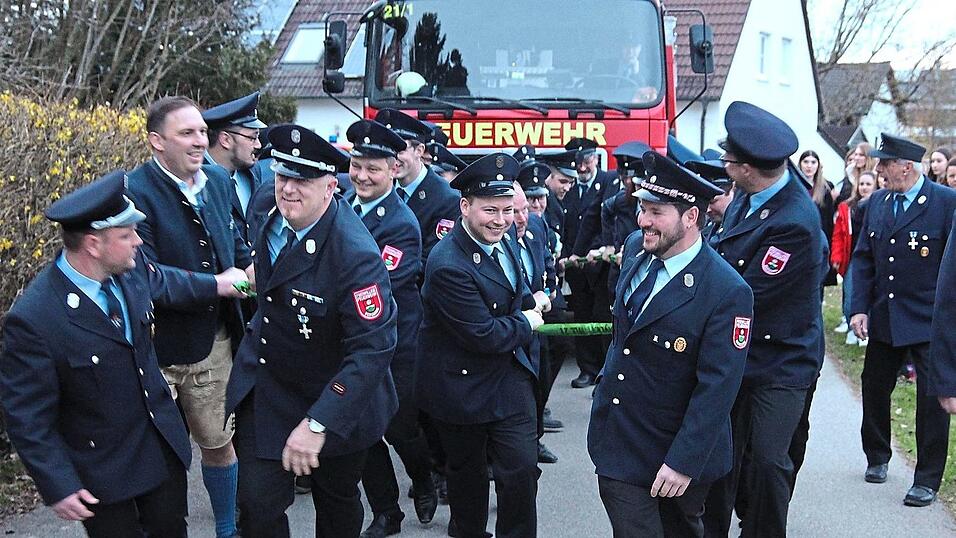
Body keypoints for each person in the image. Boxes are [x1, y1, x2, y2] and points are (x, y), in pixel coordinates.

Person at [0, 171, 248, 537]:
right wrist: (58, 482)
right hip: (104, 469)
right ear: (93, 245)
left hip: (160, 451)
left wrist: (220, 284)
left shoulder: (129, 273)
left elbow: (168, 281)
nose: (137, 241)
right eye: (126, 235)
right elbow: (26, 414)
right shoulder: (36, 318)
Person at [225, 124, 399, 537]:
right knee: (256, 505)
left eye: (303, 180)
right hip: (268, 385)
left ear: (330, 187)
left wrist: (318, 423)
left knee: (336, 500)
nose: (288, 189)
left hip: (334, 395)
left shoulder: (356, 256)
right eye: (283, 175)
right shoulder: (267, 208)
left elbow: (373, 350)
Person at [589, 151, 753, 538]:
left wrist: (683, 462)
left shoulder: (726, 290)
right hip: (621, 442)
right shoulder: (636, 247)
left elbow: (719, 386)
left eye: (656, 211)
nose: (643, 220)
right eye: (642, 207)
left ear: (691, 217)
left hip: (680, 452)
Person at [126, 95, 253, 538]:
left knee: (219, 444)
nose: (201, 141)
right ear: (156, 142)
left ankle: (226, 528)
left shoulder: (219, 182)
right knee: (160, 453)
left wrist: (250, 271)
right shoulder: (132, 192)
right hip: (154, 349)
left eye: (202, 131)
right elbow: (148, 278)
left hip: (212, 344)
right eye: (187, 133)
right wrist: (218, 284)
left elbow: (237, 244)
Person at [703, 101, 825, 537]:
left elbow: (747, 293)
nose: (724, 165)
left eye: (729, 161)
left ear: (749, 169)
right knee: (721, 457)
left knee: (770, 463)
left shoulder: (794, 223)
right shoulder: (750, 198)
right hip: (740, 352)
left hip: (781, 360)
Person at [415, 152, 549, 538]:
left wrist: (530, 300)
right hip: (463, 389)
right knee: (469, 483)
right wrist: (528, 319)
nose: (502, 220)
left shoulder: (503, 237)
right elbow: (483, 334)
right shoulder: (447, 264)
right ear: (465, 206)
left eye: (508, 210)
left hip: (508, 380)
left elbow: (512, 288)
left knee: (522, 471)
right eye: (491, 210)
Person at [849, 133, 956, 507]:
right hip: (885, 316)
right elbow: (862, 259)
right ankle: (877, 455)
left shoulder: (946, 203)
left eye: (884, 164)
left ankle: (926, 478)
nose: (878, 170)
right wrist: (858, 307)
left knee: (931, 401)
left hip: (929, 319)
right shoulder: (876, 203)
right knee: (874, 387)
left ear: (905, 167)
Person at [343, 119, 438, 538]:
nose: (362, 176)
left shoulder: (401, 224)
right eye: (356, 165)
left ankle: (422, 477)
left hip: (394, 343)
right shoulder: (341, 202)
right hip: (351, 341)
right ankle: (386, 512)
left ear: (393, 169)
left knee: (399, 427)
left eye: (373, 168)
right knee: (361, 428)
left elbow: (376, 288)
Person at [546, 143, 613, 389]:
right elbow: (561, 226)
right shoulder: (567, 187)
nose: (583, 168)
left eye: (587, 161)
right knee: (582, 315)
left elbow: (604, 223)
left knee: (603, 318)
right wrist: (566, 256)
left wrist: (592, 252)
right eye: (579, 163)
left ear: (595, 159)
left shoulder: (608, 182)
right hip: (573, 266)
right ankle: (588, 369)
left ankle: (606, 370)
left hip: (600, 266)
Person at [510, 179, 561, 465]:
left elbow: (546, 263)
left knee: (540, 388)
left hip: (537, 331)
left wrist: (549, 291)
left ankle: (535, 440)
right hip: (512, 334)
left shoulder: (536, 227)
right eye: (513, 212)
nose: (520, 219)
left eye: (523, 210)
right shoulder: (498, 241)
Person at [375, 108, 461, 262]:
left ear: (419, 150)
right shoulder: (379, 188)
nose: (393, 159)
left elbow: (435, 259)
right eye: (387, 151)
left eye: (400, 151)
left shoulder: (447, 199)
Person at [202, 91, 269, 247]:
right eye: (252, 137)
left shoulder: (252, 171)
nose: (258, 145)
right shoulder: (197, 177)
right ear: (226, 139)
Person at [831, 170, 876, 345]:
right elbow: (838, 234)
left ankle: (867, 329)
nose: (864, 188)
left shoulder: (879, 205)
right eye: (862, 184)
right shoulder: (847, 207)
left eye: (868, 184)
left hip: (874, 257)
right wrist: (836, 255)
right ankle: (852, 326)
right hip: (853, 257)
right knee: (851, 292)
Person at [684, 159, 734, 246]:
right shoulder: (706, 228)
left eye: (713, 202)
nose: (707, 209)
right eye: (703, 202)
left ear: (733, 191)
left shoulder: (742, 230)